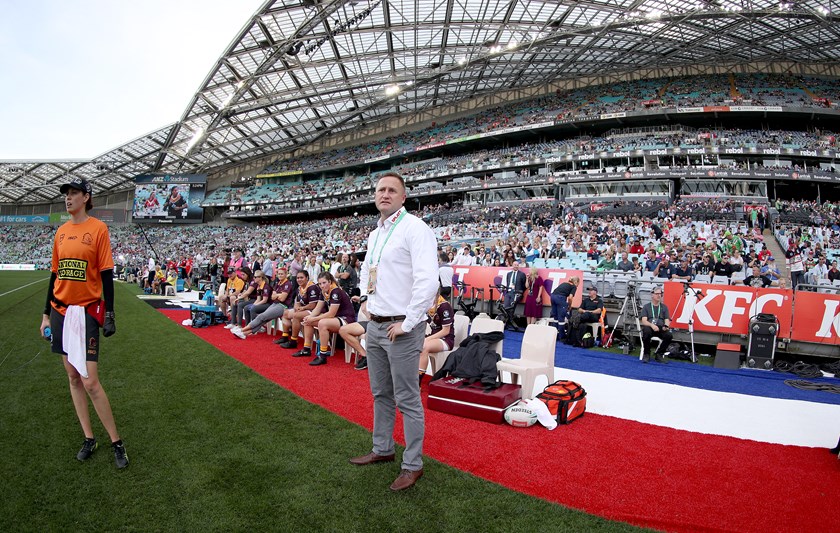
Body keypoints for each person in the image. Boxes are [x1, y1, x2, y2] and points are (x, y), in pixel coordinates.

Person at [350, 172, 438, 492]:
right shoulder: (376, 234)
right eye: (380, 190)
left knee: (407, 399)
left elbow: (428, 281)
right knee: (380, 393)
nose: (385, 194)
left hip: (401, 327)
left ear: (403, 197)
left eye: (392, 190)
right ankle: (383, 449)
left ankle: (413, 464)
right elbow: (368, 271)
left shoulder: (415, 228)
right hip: (375, 324)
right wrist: (364, 300)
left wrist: (409, 322)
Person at [38, 177, 128, 469]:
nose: (68, 198)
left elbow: (106, 274)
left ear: (86, 197)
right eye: (66, 194)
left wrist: (110, 313)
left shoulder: (98, 229)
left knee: (90, 381)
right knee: (73, 377)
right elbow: (54, 275)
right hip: (60, 312)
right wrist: (44, 315)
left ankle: (117, 442)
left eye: (74, 193)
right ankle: (89, 438)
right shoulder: (61, 232)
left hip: (87, 311)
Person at [301, 272, 357, 366]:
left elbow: (331, 313)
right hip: (336, 318)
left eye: (324, 283)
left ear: (330, 282)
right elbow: (317, 309)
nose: (322, 286)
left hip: (347, 319)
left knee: (322, 323)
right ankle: (307, 349)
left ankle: (322, 355)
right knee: (308, 321)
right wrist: (310, 317)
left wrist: (314, 318)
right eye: (320, 284)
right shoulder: (324, 292)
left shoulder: (335, 291)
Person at [233, 267, 294, 339]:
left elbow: (281, 298)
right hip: (275, 303)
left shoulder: (286, 284)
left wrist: (277, 295)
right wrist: (279, 295)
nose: (280, 275)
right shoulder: (277, 283)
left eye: (282, 274)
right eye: (279, 274)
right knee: (261, 317)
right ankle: (245, 333)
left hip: (282, 306)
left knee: (261, 316)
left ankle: (241, 330)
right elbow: (272, 297)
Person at [418, 288, 455, 385]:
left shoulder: (444, 306)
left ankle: (417, 383)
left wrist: (427, 339)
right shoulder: (426, 304)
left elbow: (446, 331)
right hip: (433, 336)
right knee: (413, 343)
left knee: (423, 346)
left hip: (446, 339)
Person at [639, 287, 673, 363]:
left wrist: (666, 326)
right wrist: (652, 325)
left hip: (660, 327)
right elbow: (644, 321)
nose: (659, 296)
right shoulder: (646, 307)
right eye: (657, 294)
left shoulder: (664, 307)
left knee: (669, 335)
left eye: (660, 294)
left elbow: (667, 320)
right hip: (650, 327)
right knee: (646, 331)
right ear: (652, 295)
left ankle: (659, 354)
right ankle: (646, 353)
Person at [550, 276, 579, 340]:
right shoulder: (573, 287)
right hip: (560, 298)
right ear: (576, 282)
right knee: (561, 318)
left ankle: (554, 335)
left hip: (552, 296)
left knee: (555, 317)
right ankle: (561, 336)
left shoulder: (564, 283)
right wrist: (569, 305)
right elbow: (570, 297)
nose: (577, 286)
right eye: (578, 284)